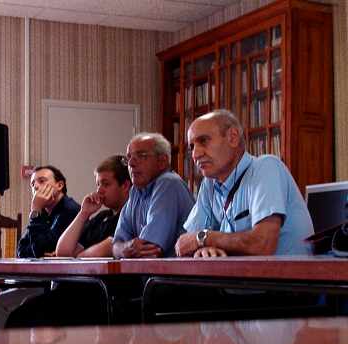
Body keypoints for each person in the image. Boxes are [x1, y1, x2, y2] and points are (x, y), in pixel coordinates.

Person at [5, 155, 131, 328]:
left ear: (125, 186)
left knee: (21, 317)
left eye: (106, 184)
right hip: (75, 288)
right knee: (21, 314)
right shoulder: (101, 217)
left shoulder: (126, 219)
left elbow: (82, 255)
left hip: (97, 295)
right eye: (97, 184)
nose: (100, 190)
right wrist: (84, 213)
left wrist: (78, 255)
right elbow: (63, 251)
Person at [175, 109, 314, 257]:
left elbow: (263, 244)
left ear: (233, 138)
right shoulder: (209, 184)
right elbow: (184, 244)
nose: (195, 154)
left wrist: (205, 238)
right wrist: (203, 249)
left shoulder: (265, 167)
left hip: (288, 271)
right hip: (241, 271)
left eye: (203, 141)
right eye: (192, 147)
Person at [0, 165, 80, 329]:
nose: (36, 186)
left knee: (11, 305)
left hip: (62, 286)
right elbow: (21, 250)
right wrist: (37, 217)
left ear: (59, 185)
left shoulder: (69, 210)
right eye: (33, 184)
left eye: (42, 181)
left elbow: (41, 248)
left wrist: (35, 210)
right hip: (40, 282)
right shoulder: (43, 213)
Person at [113, 132, 195, 259]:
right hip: (152, 270)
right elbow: (115, 247)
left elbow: (150, 249)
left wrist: (125, 248)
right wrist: (125, 247)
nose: (131, 163)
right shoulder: (135, 191)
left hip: (177, 271)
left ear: (162, 161)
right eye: (128, 157)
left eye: (141, 156)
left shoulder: (168, 183)